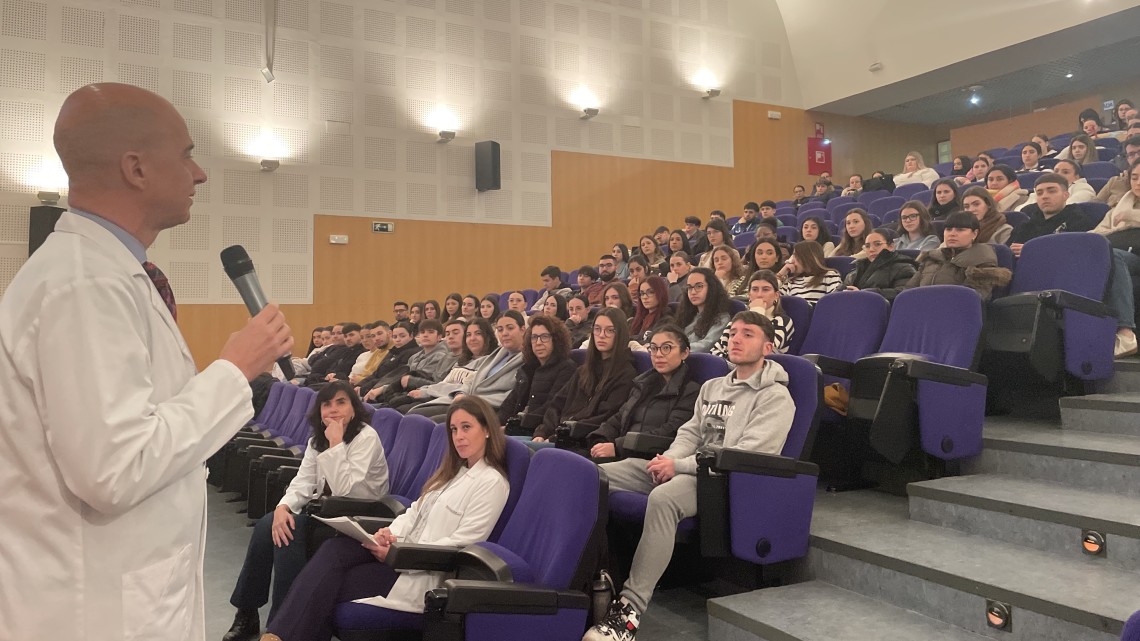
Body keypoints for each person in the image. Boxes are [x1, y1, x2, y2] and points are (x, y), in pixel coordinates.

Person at [0, 83, 295, 641]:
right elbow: (115, 469)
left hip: (122, 590)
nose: (200, 173)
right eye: (185, 154)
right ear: (135, 168)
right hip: (93, 606)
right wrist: (233, 369)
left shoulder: (107, 274)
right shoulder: (83, 285)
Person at [585, 311, 795, 641]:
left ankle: (628, 612)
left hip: (723, 480)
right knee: (592, 477)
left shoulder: (776, 397)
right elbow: (689, 434)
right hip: (688, 468)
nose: (736, 339)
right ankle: (587, 577)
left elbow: (744, 456)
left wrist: (678, 468)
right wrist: (666, 461)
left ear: (768, 347)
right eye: (734, 332)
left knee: (664, 498)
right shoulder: (713, 387)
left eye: (748, 334)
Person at [262, 397, 511, 641]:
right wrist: (388, 534)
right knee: (335, 548)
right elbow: (413, 511)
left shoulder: (491, 482)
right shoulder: (451, 473)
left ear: (487, 430)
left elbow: (464, 543)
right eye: (454, 429)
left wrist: (399, 550)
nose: (458, 436)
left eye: (466, 427)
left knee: (328, 586)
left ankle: (277, 635)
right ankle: (278, 636)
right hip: (399, 554)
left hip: (420, 570)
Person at [223, 382, 389, 640]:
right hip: (325, 512)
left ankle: (281, 627)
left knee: (290, 534)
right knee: (269, 525)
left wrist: (336, 444)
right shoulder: (317, 440)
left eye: (341, 402)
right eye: (327, 404)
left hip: (359, 517)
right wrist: (283, 507)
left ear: (354, 408)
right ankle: (247, 612)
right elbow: (303, 481)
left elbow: (345, 489)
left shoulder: (366, 437)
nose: (333, 410)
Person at [585, 325, 701, 460]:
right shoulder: (643, 384)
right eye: (653, 348)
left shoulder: (690, 391)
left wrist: (617, 447)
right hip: (624, 453)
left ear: (685, 353)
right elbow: (619, 417)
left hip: (650, 458)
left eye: (666, 348)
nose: (658, 354)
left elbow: (670, 432)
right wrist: (600, 439)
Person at [530, 308, 637, 448]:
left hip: (581, 441)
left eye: (609, 330)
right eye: (597, 329)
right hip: (558, 436)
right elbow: (557, 404)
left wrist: (557, 436)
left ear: (620, 334)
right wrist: (542, 432)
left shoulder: (626, 374)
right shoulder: (583, 370)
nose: (601, 335)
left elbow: (605, 417)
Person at [408, 311, 527, 419]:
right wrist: (461, 393)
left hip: (486, 407)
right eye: (500, 330)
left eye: (510, 328)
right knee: (413, 414)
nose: (504, 333)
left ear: (523, 329)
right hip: (466, 400)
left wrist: (472, 400)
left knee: (424, 419)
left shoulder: (527, 360)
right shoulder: (498, 355)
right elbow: (471, 380)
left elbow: (512, 395)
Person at [899, 211, 1011, 302]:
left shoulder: (982, 259)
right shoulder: (931, 258)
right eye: (948, 229)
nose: (952, 233)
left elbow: (974, 298)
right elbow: (909, 290)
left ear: (975, 234)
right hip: (922, 312)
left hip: (957, 315)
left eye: (960, 230)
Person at [497, 315, 578, 435]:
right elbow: (511, 403)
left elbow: (552, 407)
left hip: (537, 430)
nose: (538, 343)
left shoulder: (567, 368)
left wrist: (511, 427)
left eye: (544, 337)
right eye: (534, 337)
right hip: (517, 426)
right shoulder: (527, 368)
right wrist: (494, 425)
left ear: (556, 339)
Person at [1010, 173, 1097, 255]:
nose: (1044, 196)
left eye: (1052, 191)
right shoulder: (1026, 226)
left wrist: (1034, 251)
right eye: (1039, 193)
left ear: (1066, 195)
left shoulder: (1078, 221)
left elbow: (1077, 253)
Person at [711, 270, 794, 356]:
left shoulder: (783, 321)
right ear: (749, 295)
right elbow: (715, 351)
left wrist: (757, 314)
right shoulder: (738, 320)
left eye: (765, 290)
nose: (759, 294)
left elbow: (761, 351)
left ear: (776, 295)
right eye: (755, 289)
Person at [673, 267, 733, 352]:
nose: (693, 292)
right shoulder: (687, 315)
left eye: (699, 286)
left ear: (711, 288)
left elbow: (706, 345)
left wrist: (675, 349)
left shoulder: (721, 318)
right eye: (689, 287)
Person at [844, 229, 917, 297]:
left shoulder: (904, 268)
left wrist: (865, 294)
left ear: (891, 246)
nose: (871, 249)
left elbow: (903, 294)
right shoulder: (855, 272)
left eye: (877, 244)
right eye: (867, 246)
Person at [358, 321, 421, 401]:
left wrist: (364, 388)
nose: (398, 340)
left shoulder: (412, 353)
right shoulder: (393, 352)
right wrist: (360, 385)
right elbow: (376, 374)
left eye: (402, 336)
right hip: (374, 388)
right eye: (395, 337)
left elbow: (392, 377)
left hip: (388, 391)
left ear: (411, 336)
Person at [777, 241, 843, 305]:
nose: (791, 261)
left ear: (807, 258)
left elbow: (836, 300)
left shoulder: (829, 275)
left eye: (795, 257)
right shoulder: (791, 281)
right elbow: (772, 299)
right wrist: (781, 273)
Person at [1097, 135, 1140, 206]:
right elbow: (1095, 206)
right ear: (1127, 159)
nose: (1137, 157)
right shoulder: (1115, 181)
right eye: (1131, 154)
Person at [630, 276, 672, 344]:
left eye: (650, 292)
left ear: (660, 293)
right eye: (642, 293)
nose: (645, 297)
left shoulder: (666, 320)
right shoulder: (638, 319)